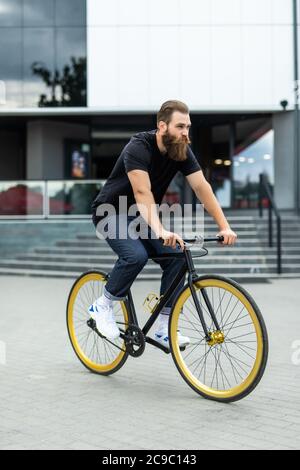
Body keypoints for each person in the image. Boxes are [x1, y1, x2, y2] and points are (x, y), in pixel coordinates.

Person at [90, 100, 237, 347]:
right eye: (180, 126)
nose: (185, 133)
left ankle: (163, 326)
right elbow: (141, 191)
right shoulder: (138, 146)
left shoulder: (181, 150)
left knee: (178, 255)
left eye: (188, 127)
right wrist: (159, 230)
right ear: (162, 126)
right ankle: (102, 305)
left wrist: (224, 226)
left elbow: (202, 187)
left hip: (141, 216)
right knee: (135, 256)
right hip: (110, 212)